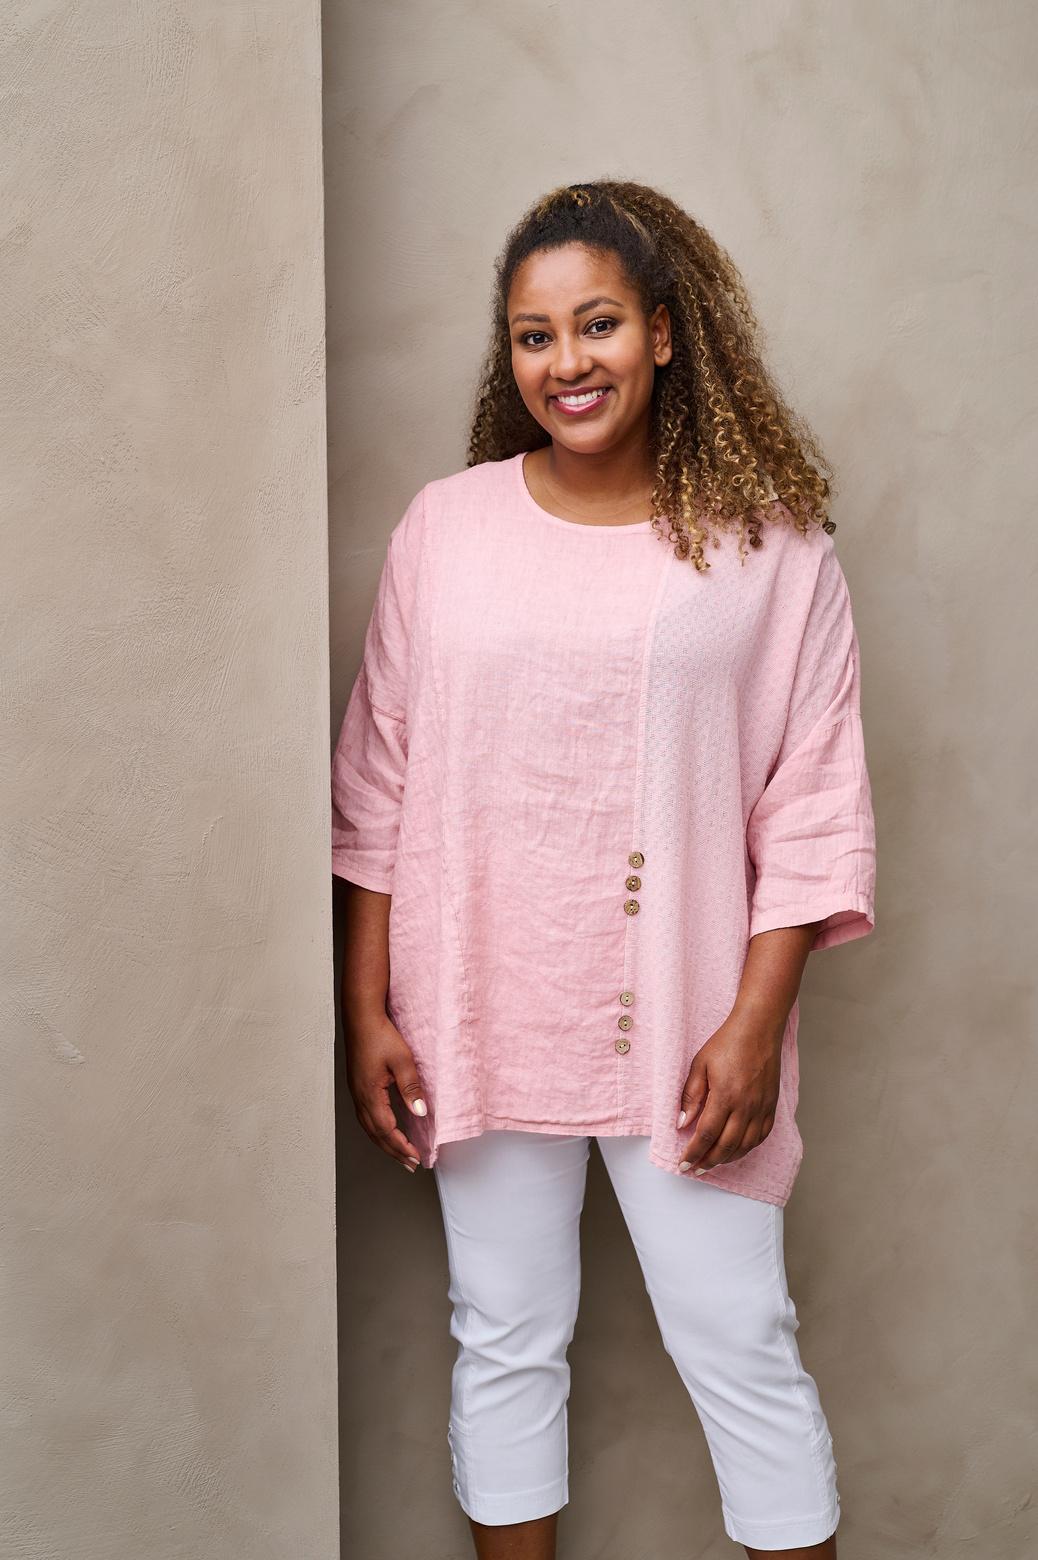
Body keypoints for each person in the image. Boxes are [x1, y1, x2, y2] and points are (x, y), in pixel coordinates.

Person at [331, 179, 877, 1560]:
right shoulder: (444, 528)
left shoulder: (769, 547)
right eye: (533, 335)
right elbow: (380, 778)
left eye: (596, 324)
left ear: (665, 333)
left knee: (738, 1338)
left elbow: (810, 806)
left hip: (685, 1021)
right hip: (476, 1005)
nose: (565, 362)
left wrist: (754, 1025)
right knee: (503, 1338)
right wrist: (366, 1005)